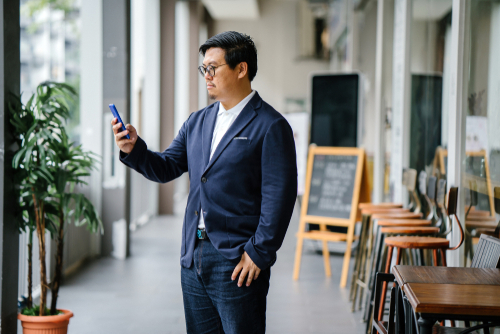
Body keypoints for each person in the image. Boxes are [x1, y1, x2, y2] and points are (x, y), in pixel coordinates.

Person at [112, 31, 297, 333]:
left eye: (213, 67)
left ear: (241, 69)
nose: (206, 75)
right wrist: (134, 149)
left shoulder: (271, 125)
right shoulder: (198, 121)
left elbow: (280, 195)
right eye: (203, 68)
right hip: (194, 256)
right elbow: (167, 166)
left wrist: (260, 252)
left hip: (238, 260)